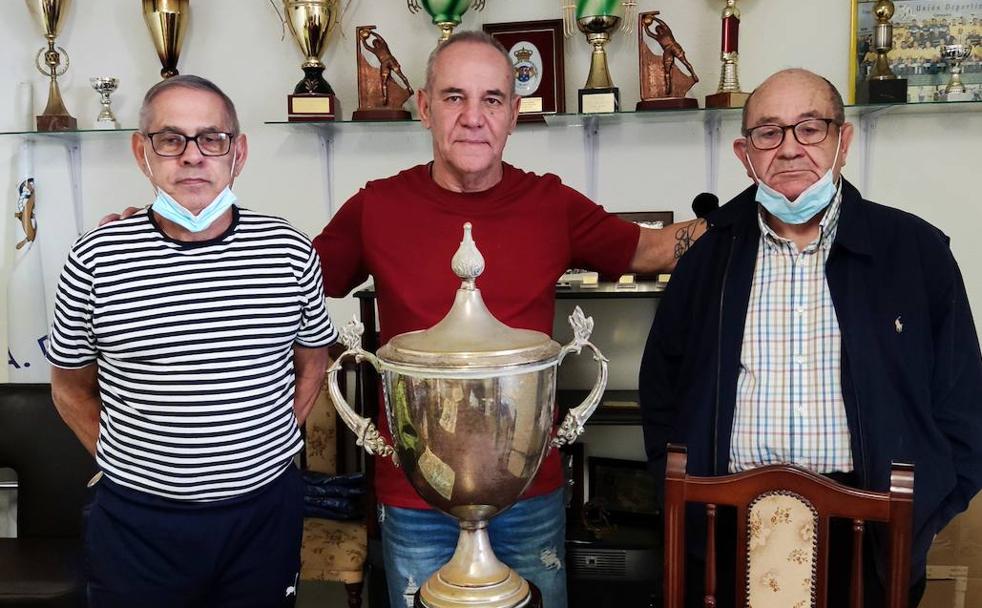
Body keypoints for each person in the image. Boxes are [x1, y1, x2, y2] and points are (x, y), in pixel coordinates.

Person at [313, 31, 706, 608]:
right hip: (416, 492)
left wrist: (745, 218)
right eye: (454, 97)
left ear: (514, 114)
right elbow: (290, 279)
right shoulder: (376, 206)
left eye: (491, 99)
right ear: (424, 106)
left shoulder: (552, 204)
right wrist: (146, 235)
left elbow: (650, 250)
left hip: (528, 488)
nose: (473, 117)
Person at [639, 68, 982, 607]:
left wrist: (925, 511)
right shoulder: (707, 261)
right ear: (745, 154)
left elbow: (964, 402)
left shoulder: (916, 252)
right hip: (724, 528)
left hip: (872, 535)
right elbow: (661, 390)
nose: (790, 148)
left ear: (843, 141)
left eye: (810, 128)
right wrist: (677, 491)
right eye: (769, 132)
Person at [47, 75, 337, 607]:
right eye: (170, 139)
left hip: (262, 516)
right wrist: (127, 460)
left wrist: (259, 446)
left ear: (238, 152)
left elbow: (313, 363)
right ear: (143, 152)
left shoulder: (289, 250)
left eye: (212, 138)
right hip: (137, 524)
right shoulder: (93, 260)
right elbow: (69, 388)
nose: (192, 156)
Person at [642, 12, 698, 95]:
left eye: (659, 29)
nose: (658, 31)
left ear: (662, 29)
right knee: (667, 69)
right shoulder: (658, 37)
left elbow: (662, 23)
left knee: (684, 62)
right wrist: (644, 25)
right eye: (657, 30)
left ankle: (693, 74)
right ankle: (668, 87)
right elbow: (649, 33)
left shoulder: (667, 32)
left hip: (674, 46)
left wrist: (653, 18)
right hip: (667, 51)